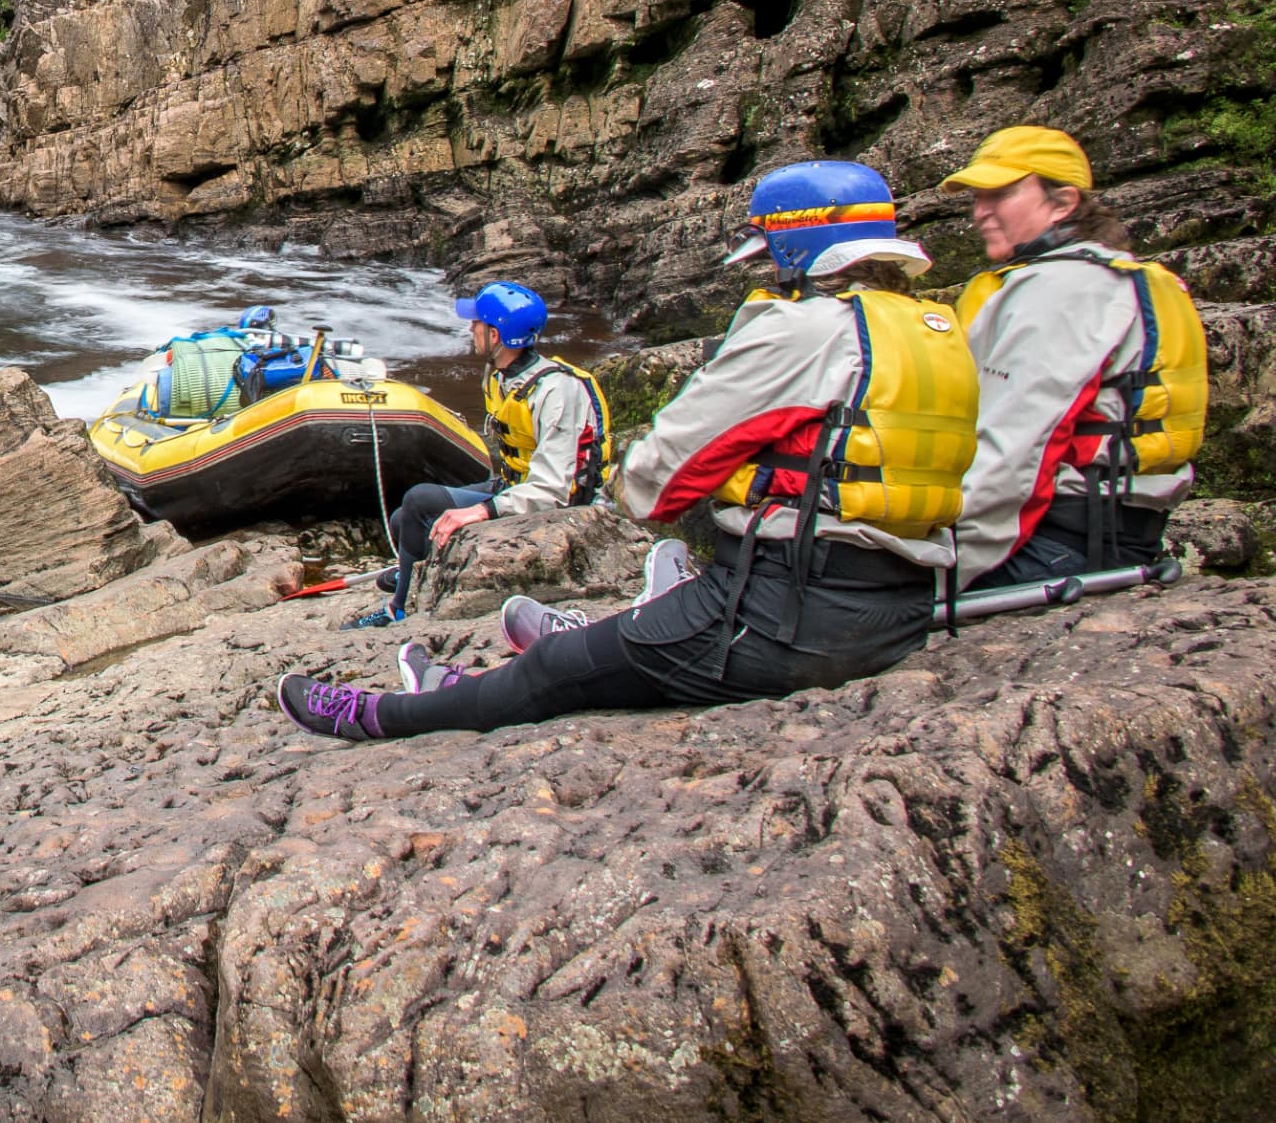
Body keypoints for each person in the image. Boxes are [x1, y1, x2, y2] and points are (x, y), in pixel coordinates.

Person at [276, 160, 977, 741]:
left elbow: (654, 482)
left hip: (784, 615)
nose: (763, 277)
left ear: (797, 252)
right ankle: (635, 609)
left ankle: (383, 715)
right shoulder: (938, 332)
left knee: (551, 672)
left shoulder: (799, 330)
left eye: (767, 259)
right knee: (601, 637)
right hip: (901, 606)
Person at [938, 126, 1207, 589]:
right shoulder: (1117, 276)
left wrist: (943, 570)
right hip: (1113, 534)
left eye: (999, 194)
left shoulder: (1063, 289)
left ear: (1062, 202)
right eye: (977, 198)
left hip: (1054, 542)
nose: (980, 212)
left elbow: (1014, 457)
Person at [349, 282, 613, 628]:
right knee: (402, 520)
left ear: (496, 335)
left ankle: (399, 609)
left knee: (418, 501)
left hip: (562, 504)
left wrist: (483, 510)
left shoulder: (556, 392)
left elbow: (554, 490)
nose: (470, 329)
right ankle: (416, 575)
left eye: (477, 324)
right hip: (515, 485)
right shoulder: (500, 374)